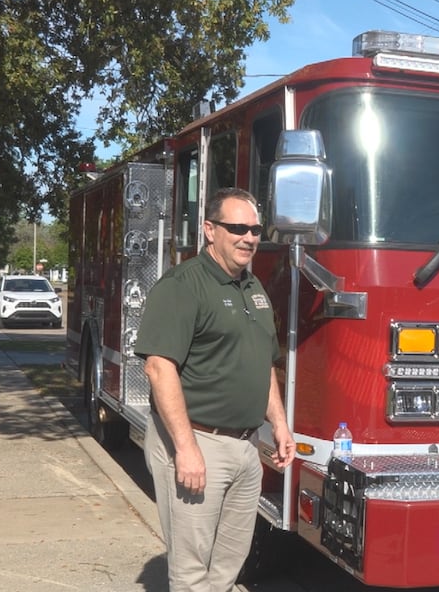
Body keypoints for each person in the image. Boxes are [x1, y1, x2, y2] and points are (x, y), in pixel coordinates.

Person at [134, 187, 295, 592]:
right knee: (191, 574)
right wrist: (186, 449)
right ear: (210, 230)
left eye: (256, 229)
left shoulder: (253, 289)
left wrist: (279, 423)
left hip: (244, 447)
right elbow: (158, 367)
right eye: (237, 227)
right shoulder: (183, 285)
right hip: (197, 444)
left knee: (227, 568)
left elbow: (263, 364)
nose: (249, 237)